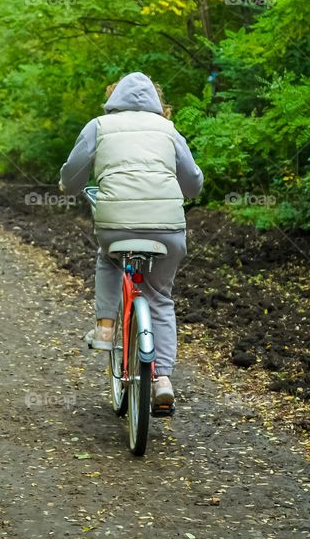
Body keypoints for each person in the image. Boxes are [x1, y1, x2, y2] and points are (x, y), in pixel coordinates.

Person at [59, 72, 203, 412]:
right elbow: (193, 183)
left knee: (107, 258)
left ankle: (105, 329)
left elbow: (73, 173)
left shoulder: (98, 126)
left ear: (114, 98)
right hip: (167, 229)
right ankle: (163, 379)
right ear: (157, 101)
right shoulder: (169, 131)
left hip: (115, 227)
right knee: (159, 297)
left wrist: (73, 187)